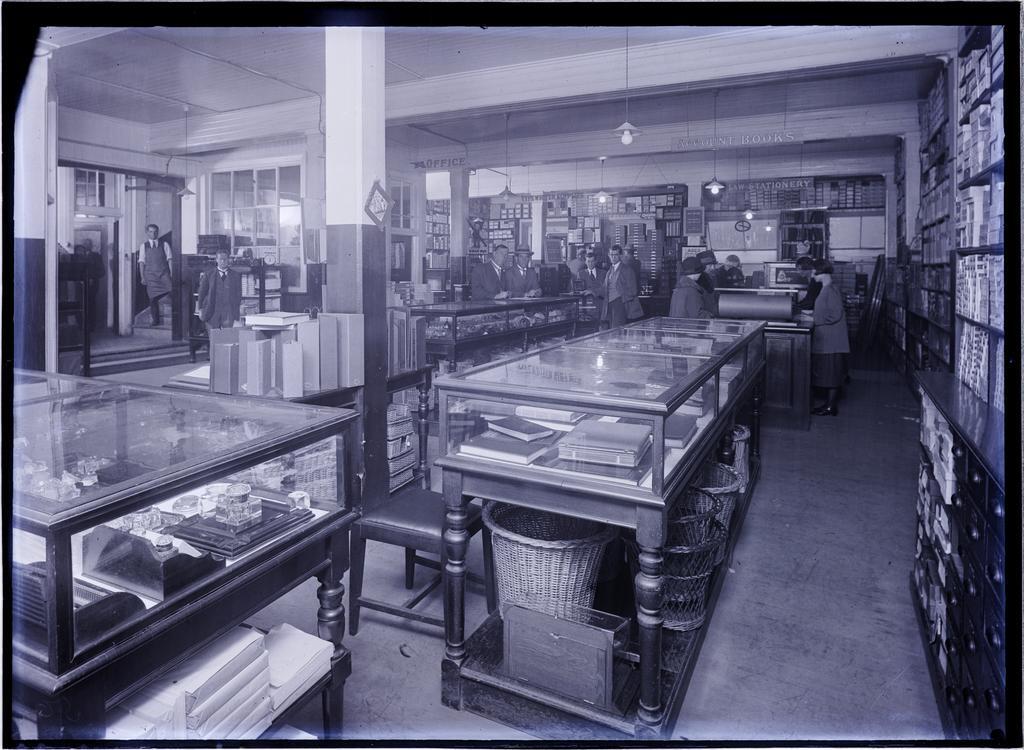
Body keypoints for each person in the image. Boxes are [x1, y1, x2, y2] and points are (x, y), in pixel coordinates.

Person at [810, 259, 849, 417]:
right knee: (830, 373)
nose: (812, 276)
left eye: (814, 272)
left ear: (822, 273)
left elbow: (835, 314)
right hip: (829, 339)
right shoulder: (827, 288)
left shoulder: (829, 290)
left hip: (831, 340)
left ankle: (831, 407)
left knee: (831, 374)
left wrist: (815, 320)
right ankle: (829, 405)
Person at [197, 250, 243, 335]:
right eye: (220, 259)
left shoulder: (236, 275)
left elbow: (238, 295)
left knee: (227, 336)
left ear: (229, 260)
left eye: (225, 259)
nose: (223, 261)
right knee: (213, 337)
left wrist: (237, 312)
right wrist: (200, 309)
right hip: (212, 311)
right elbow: (201, 294)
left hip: (229, 312)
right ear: (216, 260)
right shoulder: (208, 274)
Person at [138, 224, 174, 326]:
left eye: (155, 232)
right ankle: (155, 320)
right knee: (152, 299)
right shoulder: (143, 246)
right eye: (150, 231)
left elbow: (170, 260)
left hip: (163, 273)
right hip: (150, 275)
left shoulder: (165, 244)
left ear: (158, 232)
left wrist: (171, 273)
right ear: (147, 233)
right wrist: (142, 277)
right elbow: (141, 262)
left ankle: (176, 317)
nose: (153, 234)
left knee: (172, 291)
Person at [603, 245, 643, 328]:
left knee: (617, 331)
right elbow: (604, 288)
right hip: (608, 305)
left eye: (616, 255)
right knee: (609, 331)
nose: (613, 257)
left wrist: (621, 298)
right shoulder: (609, 271)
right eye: (611, 255)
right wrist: (591, 291)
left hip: (619, 305)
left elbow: (633, 290)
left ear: (620, 255)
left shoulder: (627, 270)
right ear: (608, 255)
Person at [75, 239, 105, 331]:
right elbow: (74, 270)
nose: (86, 245)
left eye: (88, 244)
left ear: (91, 246)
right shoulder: (77, 256)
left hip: (92, 286)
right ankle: (81, 326)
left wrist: (93, 278)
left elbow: (102, 272)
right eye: (85, 244)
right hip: (80, 285)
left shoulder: (97, 256)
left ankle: (91, 327)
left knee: (91, 305)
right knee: (80, 304)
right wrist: (79, 279)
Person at [579, 251, 607, 319]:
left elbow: (605, 289)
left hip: (601, 306)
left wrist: (592, 291)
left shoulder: (603, 273)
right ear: (585, 262)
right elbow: (579, 290)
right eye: (588, 261)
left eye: (592, 261)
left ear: (596, 261)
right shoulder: (580, 274)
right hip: (587, 307)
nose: (590, 263)